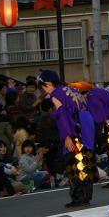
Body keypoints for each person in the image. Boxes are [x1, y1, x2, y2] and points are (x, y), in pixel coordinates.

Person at [38, 71, 96, 208]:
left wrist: (68, 136)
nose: (43, 90)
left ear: (48, 84)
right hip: (86, 127)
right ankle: (86, 197)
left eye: (43, 87)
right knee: (84, 162)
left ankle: (78, 197)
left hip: (74, 129)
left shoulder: (56, 95)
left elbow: (62, 116)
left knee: (73, 163)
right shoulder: (71, 89)